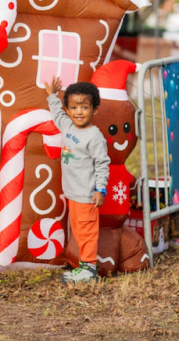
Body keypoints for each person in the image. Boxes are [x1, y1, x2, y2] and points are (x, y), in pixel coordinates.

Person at [44, 77, 110, 284]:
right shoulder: (68, 127)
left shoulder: (94, 136)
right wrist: (51, 95)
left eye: (84, 107)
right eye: (73, 107)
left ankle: (89, 270)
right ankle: (85, 266)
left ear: (95, 110)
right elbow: (57, 114)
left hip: (86, 194)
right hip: (72, 193)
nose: (78, 112)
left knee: (87, 230)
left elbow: (102, 163)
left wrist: (100, 189)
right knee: (79, 231)